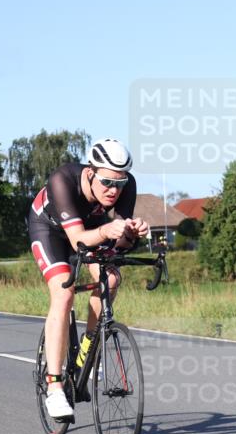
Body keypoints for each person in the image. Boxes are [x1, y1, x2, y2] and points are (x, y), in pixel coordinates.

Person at [27, 138, 150, 419]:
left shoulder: (125, 185)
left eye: (120, 184)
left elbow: (118, 242)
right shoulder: (63, 180)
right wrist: (109, 231)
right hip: (50, 229)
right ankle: (55, 387)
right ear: (91, 173)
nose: (113, 190)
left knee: (112, 278)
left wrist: (132, 232)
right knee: (63, 291)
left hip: (92, 229)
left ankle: (87, 349)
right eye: (107, 182)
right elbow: (79, 240)